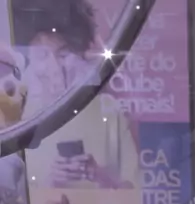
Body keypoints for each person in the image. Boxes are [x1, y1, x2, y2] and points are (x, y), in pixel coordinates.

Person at [10, 0, 140, 191]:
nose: (54, 68)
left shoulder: (109, 111)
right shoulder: (18, 118)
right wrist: (51, 184)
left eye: (63, 54)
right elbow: (12, 196)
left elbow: (134, 190)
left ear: (81, 54)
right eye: (42, 56)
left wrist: (101, 177)